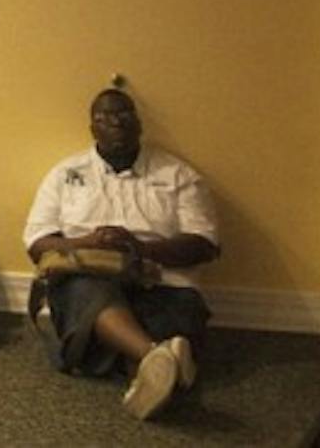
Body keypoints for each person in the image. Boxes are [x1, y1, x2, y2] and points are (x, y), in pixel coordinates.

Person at [24, 88, 220, 421]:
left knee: (175, 316)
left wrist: (140, 248)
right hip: (91, 279)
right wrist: (89, 242)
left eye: (123, 114)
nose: (115, 123)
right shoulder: (64, 174)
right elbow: (37, 244)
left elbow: (205, 244)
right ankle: (153, 357)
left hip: (162, 281)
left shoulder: (178, 175)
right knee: (87, 297)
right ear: (91, 129)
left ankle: (149, 372)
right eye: (103, 117)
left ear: (140, 124)